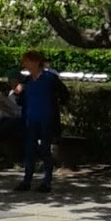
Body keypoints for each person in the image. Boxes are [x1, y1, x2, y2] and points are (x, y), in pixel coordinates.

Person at [14, 50, 69, 194]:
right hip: (30, 120)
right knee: (29, 150)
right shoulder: (27, 81)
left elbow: (64, 94)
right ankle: (27, 180)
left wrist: (55, 106)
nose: (25, 64)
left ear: (37, 62)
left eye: (28, 61)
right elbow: (20, 102)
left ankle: (47, 181)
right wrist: (17, 93)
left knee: (45, 150)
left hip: (46, 119)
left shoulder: (49, 78)